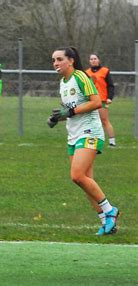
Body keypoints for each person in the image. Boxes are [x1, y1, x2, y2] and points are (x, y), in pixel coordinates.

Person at [48, 47, 119, 236]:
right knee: (85, 181)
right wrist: (58, 118)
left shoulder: (80, 76)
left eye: (59, 59)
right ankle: (105, 222)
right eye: (53, 60)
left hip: (89, 133)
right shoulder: (63, 83)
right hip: (73, 134)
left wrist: (69, 112)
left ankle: (110, 210)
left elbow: (96, 102)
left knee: (77, 175)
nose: (55, 63)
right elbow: (70, 111)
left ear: (71, 60)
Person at [86, 54, 116, 147]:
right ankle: (91, 140)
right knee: (90, 121)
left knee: (104, 120)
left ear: (98, 60)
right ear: (89, 61)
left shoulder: (105, 71)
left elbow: (110, 86)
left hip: (102, 100)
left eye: (95, 58)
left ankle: (112, 142)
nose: (93, 60)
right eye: (91, 59)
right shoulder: (86, 72)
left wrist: (109, 98)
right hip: (91, 100)